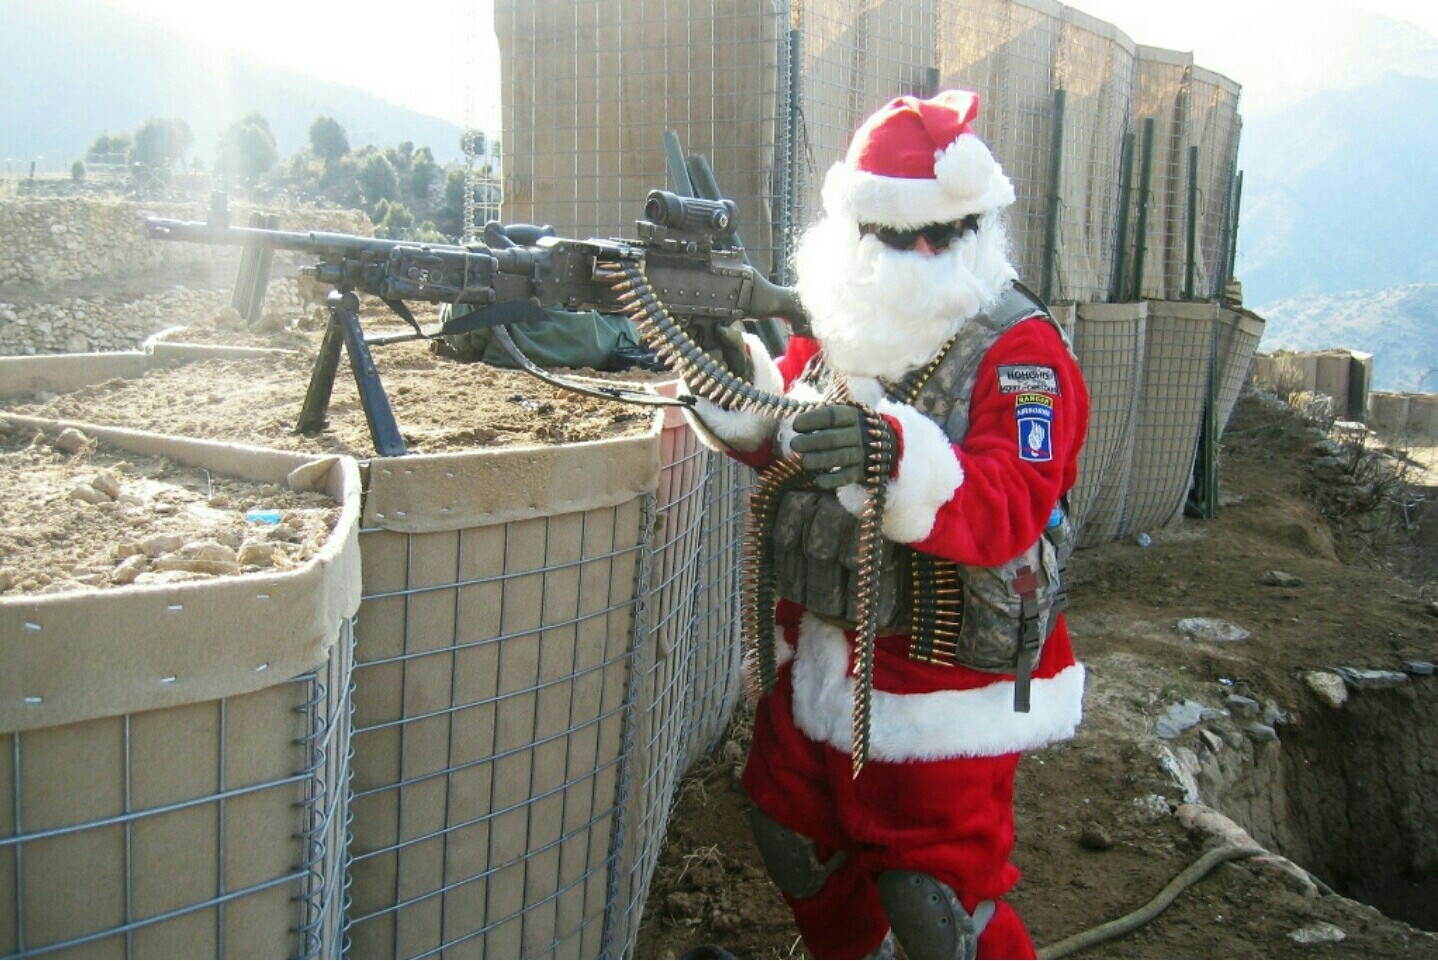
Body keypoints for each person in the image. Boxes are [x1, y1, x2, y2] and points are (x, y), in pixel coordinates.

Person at [686, 90, 1090, 959]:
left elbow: (1014, 501)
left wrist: (899, 459)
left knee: (935, 895)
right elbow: (791, 431)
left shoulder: (1022, 351)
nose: (924, 254)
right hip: (824, 642)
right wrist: (735, 388)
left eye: (944, 234)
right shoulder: (846, 320)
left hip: (947, 671)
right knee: (792, 829)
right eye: (899, 237)